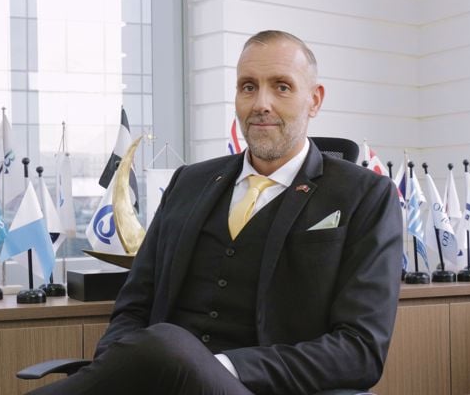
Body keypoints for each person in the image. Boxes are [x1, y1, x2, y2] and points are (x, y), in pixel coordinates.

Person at [30, 30, 403, 395]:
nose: (261, 103)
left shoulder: (365, 195)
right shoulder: (188, 183)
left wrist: (219, 366)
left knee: (167, 343)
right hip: (159, 382)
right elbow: (134, 306)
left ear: (315, 100)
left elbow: (360, 350)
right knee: (160, 346)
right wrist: (122, 369)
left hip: (262, 387)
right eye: (248, 86)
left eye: (282, 87)